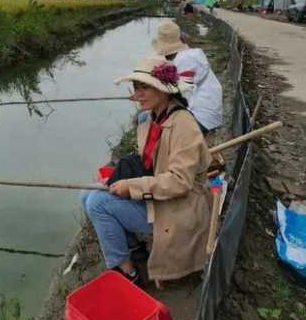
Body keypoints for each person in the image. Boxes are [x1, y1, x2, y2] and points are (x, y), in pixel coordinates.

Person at [81, 58, 212, 286]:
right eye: (136, 88)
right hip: (160, 194)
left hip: (179, 205)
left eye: (144, 88)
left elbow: (180, 183)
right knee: (86, 194)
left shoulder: (183, 125)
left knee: (97, 203)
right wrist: (115, 177)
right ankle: (133, 246)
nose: (138, 94)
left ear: (163, 90)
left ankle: (128, 272)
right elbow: (149, 164)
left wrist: (131, 187)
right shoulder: (155, 116)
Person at [152, 20, 222, 135]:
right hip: (209, 112)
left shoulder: (184, 60)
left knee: (160, 129)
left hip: (202, 117)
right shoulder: (189, 54)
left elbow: (179, 94)